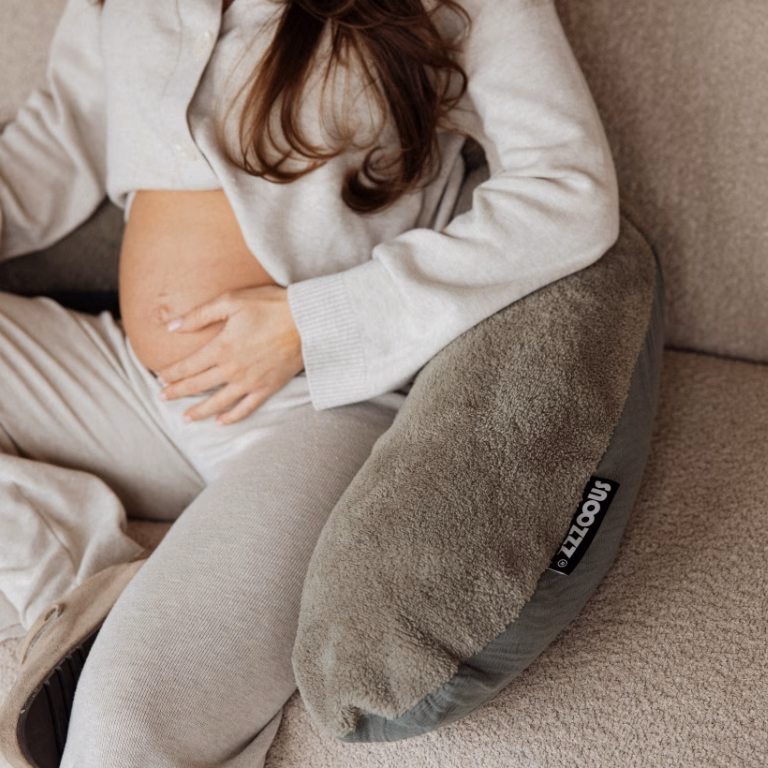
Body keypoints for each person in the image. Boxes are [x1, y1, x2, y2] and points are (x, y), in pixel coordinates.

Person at [0, 0, 620, 764]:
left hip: (315, 411)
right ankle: (72, 569)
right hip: (129, 388)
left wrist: (312, 323)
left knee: (122, 731)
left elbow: (567, 189)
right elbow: (59, 138)